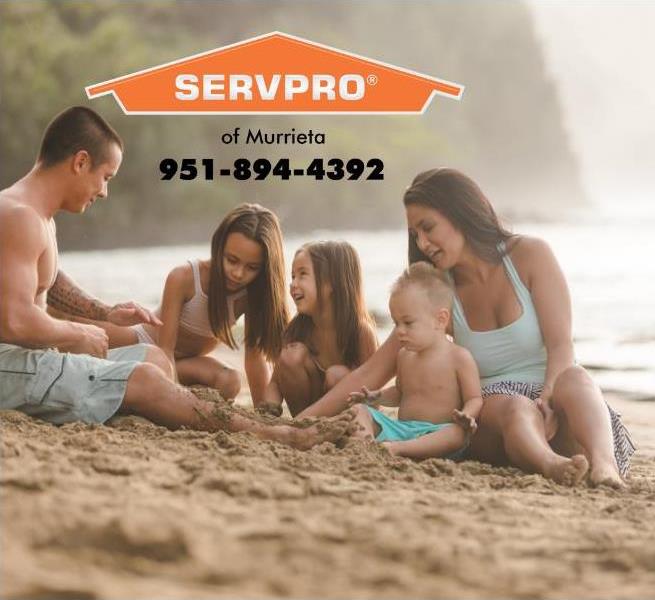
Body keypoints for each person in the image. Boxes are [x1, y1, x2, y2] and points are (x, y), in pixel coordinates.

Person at [0, 105, 352, 449]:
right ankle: (276, 436)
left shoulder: (37, 216)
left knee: (152, 360)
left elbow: (49, 281)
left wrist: (103, 314)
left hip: (28, 362)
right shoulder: (20, 218)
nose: (104, 191)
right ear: (80, 162)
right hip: (10, 367)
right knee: (146, 378)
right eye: (105, 177)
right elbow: (14, 320)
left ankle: (177, 410)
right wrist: (77, 331)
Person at [297, 168, 635, 487]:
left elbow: (561, 347)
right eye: (415, 234)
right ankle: (551, 466)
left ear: (460, 212)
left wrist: (547, 400)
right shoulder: (438, 292)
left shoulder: (531, 255)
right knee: (514, 406)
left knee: (576, 377)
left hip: (557, 405)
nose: (423, 243)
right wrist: (304, 419)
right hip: (494, 416)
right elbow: (373, 371)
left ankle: (606, 468)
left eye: (428, 228)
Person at [62, 204, 289, 406]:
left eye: (252, 268)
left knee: (229, 381)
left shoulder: (254, 295)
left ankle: (143, 382)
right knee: (74, 325)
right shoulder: (185, 277)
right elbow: (165, 350)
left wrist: (263, 411)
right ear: (219, 247)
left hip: (185, 363)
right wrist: (175, 400)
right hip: (146, 343)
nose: (238, 273)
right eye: (232, 260)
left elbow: (255, 357)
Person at [347, 262, 483, 460]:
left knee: (457, 434)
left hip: (436, 434)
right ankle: (366, 444)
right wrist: (376, 397)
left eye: (408, 323)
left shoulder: (459, 357)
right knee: (358, 411)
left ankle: (397, 449)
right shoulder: (404, 355)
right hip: (401, 430)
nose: (400, 331)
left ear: (440, 319)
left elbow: (474, 398)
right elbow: (401, 393)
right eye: (396, 323)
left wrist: (467, 415)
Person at [261, 241, 377, 417]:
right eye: (292, 276)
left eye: (302, 275)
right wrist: (267, 411)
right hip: (306, 417)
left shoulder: (360, 332)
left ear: (330, 283)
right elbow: (275, 384)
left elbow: (373, 391)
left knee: (336, 375)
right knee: (291, 355)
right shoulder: (296, 331)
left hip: (347, 419)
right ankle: (303, 424)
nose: (293, 284)